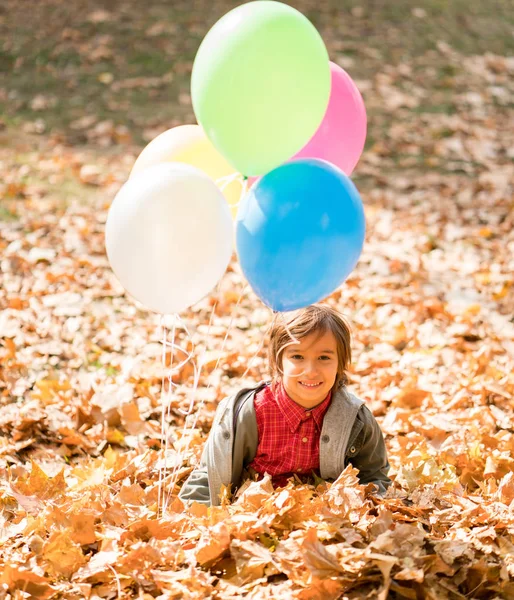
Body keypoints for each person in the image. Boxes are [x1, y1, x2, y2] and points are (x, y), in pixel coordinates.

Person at [179, 304, 391, 506]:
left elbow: (374, 475)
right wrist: (199, 519)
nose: (310, 370)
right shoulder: (246, 415)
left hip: (324, 522)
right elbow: (210, 475)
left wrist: (363, 508)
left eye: (324, 357)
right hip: (253, 518)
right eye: (297, 356)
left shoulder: (355, 419)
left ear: (340, 363)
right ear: (278, 362)